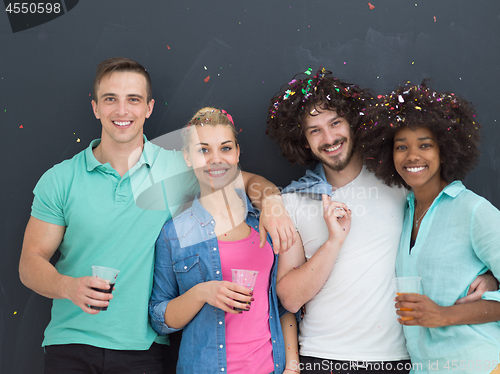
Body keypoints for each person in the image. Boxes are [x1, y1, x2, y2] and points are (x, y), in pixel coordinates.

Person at [18, 57, 296, 373]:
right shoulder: (60, 179)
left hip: (143, 350)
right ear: (95, 107)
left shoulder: (179, 166)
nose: (122, 111)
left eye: (133, 100)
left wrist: (272, 203)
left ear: (149, 107)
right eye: (111, 99)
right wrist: (67, 287)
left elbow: (244, 180)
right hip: (71, 344)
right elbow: (30, 263)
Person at [265, 68, 496, 374]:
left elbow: (453, 237)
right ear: (304, 141)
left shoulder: (401, 184)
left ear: (352, 123)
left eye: (335, 123)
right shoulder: (293, 202)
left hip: (398, 361)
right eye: (315, 130)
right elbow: (290, 300)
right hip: (321, 358)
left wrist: (490, 278)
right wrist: (332, 241)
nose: (330, 137)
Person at [360, 82, 500, 373]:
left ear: (445, 150)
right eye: (402, 147)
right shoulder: (403, 211)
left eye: (425, 145)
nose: (412, 156)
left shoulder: (473, 210)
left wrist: (444, 315)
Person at [149, 107, 299, 374]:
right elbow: (159, 319)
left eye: (225, 148)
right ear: (187, 157)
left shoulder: (265, 219)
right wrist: (202, 293)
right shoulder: (175, 233)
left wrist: (292, 366)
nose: (215, 160)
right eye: (203, 150)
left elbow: (283, 304)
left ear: (237, 152)